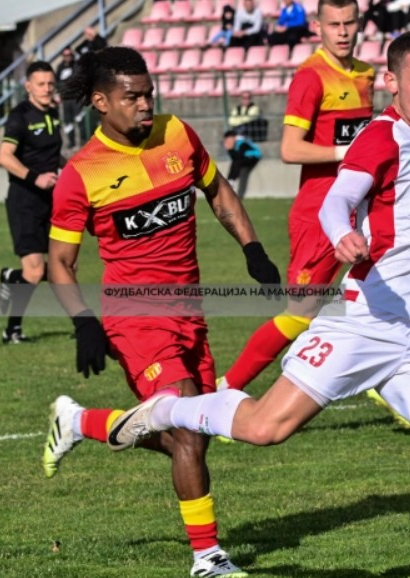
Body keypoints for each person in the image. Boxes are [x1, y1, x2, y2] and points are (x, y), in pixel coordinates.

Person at [106, 30, 410, 578]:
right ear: (392, 82)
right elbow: (337, 200)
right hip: (364, 324)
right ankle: (164, 411)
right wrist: (342, 235)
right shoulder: (380, 138)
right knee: (265, 428)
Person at [42, 46, 280, 577]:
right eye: (132, 97)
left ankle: (79, 421)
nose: (146, 104)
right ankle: (207, 558)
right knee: (189, 427)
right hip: (136, 318)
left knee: (189, 436)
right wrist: (84, 322)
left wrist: (253, 249)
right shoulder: (82, 173)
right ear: (101, 102)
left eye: (149, 94)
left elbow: (218, 191)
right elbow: (60, 261)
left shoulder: (177, 134)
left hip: (189, 312)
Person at [215, 0, 373, 396]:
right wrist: (349, 152)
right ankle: (224, 390)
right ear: (317, 26)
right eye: (333, 24)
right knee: (301, 314)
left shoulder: (366, 74)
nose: (342, 32)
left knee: (374, 305)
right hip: (318, 214)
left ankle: (392, 390)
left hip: (360, 209)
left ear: (360, 24)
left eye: (349, 23)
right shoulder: (310, 77)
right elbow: (290, 149)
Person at [0, 60, 64, 344]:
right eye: (41, 84)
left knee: (63, 268)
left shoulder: (54, 113)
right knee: (36, 271)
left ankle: (12, 278)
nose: (47, 89)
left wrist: (70, 168)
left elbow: (52, 155)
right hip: (25, 201)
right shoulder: (19, 116)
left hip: (51, 200)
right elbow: (4, 156)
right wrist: (35, 178)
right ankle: (12, 330)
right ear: (28, 87)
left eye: (51, 83)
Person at [224, 129, 262, 198]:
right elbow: (235, 158)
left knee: (237, 162)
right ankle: (230, 180)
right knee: (235, 162)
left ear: (233, 138)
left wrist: (230, 150)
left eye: (228, 140)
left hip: (253, 157)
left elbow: (239, 156)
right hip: (246, 157)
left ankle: (231, 181)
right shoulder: (237, 143)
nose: (227, 142)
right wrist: (229, 150)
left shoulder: (242, 143)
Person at [55, 48, 78, 148]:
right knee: (68, 122)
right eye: (65, 55)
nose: (67, 57)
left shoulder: (76, 65)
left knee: (80, 119)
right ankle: (71, 142)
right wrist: (59, 92)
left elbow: (77, 80)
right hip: (65, 99)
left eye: (69, 55)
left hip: (76, 98)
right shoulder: (60, 67)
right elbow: (57, 82)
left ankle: (84, 141)